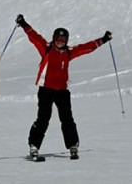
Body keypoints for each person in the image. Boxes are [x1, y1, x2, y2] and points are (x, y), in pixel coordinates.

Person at [15, 14, 112, 161]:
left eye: (63, 40)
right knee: (43, 118)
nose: (60, 42)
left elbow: (86, 47)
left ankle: (73, 145)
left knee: (67, 119)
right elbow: (34, 37)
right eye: (58, 39)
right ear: (54, 39)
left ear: (66, 41)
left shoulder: (68, 52)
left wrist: (103, 40)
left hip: (62, 91)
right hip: (46, 90)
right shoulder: (46, 49)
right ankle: (34, 147)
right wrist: (23, 24)